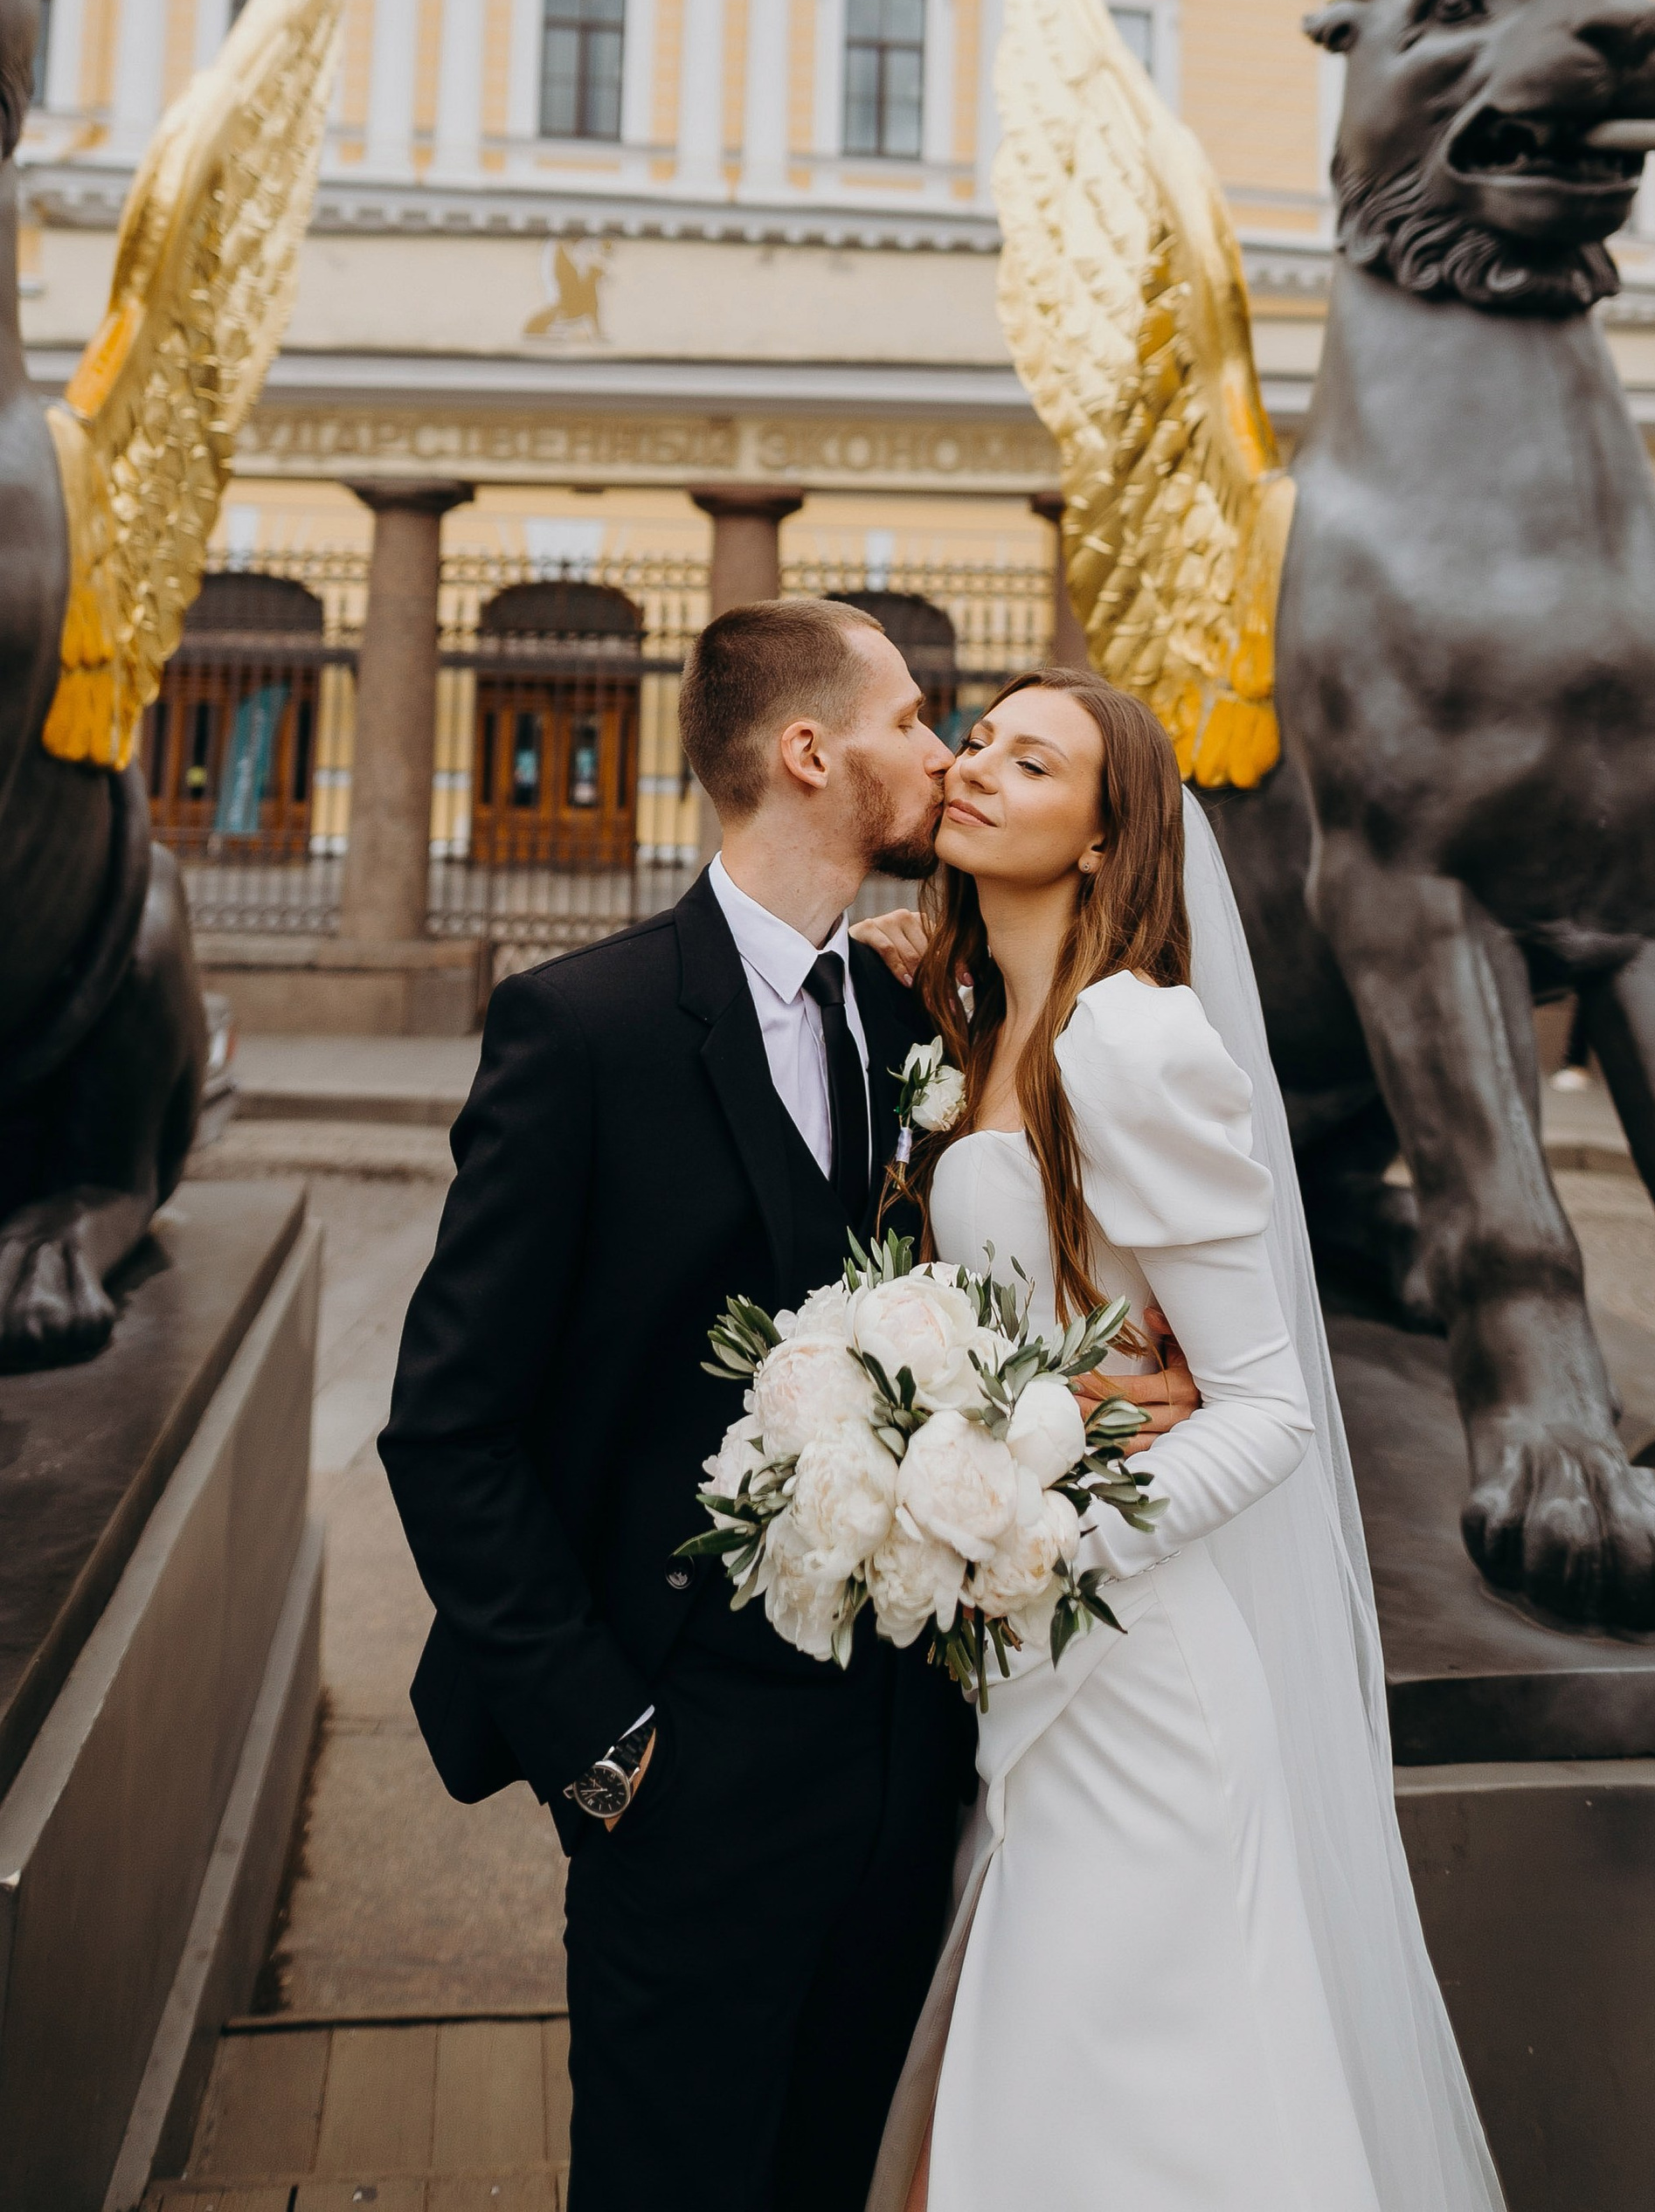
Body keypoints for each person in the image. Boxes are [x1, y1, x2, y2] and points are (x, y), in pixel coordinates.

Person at [378, 600, 1202, 2212]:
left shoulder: (920, 1019)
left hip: (916, 1765)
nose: (945, 754)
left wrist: (1096, 1390)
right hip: (680, 1766)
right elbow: (448, 1426)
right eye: (916, 719)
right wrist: (601, 1745)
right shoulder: (586, 1029)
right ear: (811, 752)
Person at [848, 668, 1506, 2212]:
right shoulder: (967, 1029)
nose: (980, 770)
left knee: (1144, 2125)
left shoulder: (1128, 1045)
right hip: (1024, 1677)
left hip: (1135, 1675)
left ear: (1104, 839)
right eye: (980, 743)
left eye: (1036, 761)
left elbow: (1270, 1406)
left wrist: (1037, 1539)